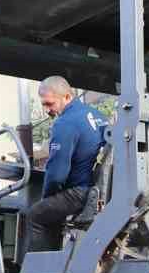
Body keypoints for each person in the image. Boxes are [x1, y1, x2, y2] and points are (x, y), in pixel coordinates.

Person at [25, 75, 106, 253]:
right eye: (44, 104)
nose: (47, 110)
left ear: (67, 97)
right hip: (97, 190)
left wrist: (46, 197)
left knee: (36, 215)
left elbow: (56, 175)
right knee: (51, 211)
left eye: (50, 104)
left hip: (79, 192)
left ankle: (41, 272)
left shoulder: (64, 123)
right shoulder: (97, 115)